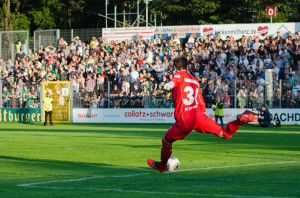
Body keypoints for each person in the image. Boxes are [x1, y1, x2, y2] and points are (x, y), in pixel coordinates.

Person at [147, 56, 258, 172]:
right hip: (198, 116)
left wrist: (170, 84)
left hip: (186, 118)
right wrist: (200, 120)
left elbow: (177, 79)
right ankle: (240, 121)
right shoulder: (194, 80)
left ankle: (162, 166)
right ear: (187, 66)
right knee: (225, 134)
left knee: (166, 140)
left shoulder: (178, 75)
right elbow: (201, 101)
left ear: (175, 68)